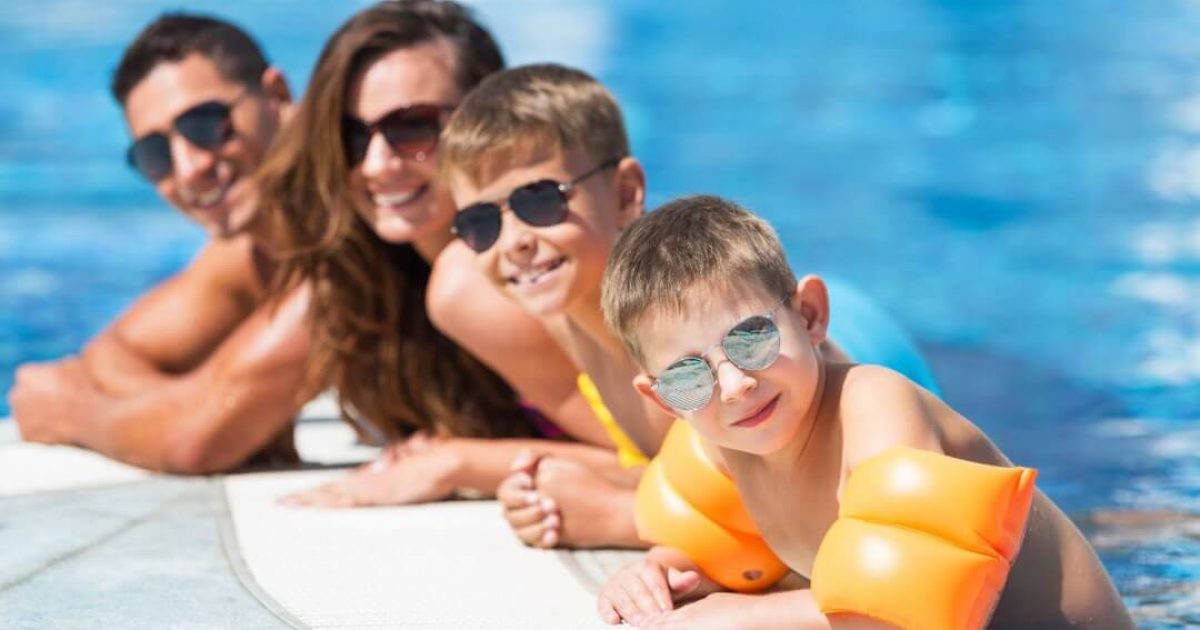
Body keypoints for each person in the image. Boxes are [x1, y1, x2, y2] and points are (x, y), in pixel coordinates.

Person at [439, 63, 926, 549]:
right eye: (481, 224)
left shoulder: (714, 349)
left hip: (852, 345)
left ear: (627, 192)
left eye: (541, 202)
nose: (514, 242)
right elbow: (670, 467)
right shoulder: (563, 308)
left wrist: (616, 517)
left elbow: (826, 513)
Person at [593, 195, 1134, 629]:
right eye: (690, 376)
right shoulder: (722, 444)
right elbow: (728, 559)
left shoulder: (875, 408)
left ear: (809, 316)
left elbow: (904, 612)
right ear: (662, 397)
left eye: (751, 338)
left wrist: (739, 618)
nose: (734, 385)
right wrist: (659, 575)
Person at [254, 0, 618, 511]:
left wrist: (457, 463)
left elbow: (647, 460)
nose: (377, 164)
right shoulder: (386, 279)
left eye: (412, 127)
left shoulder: (472, 278)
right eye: (352, 136)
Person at [8, 14, 310, 473]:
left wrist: (72, 413)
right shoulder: (252, 254)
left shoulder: (353, 235)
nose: (188, 169)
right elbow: (111, 353)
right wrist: (188, 404)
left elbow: (195, 443)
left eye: (205, 125)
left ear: (277, 96)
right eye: (155, 154)